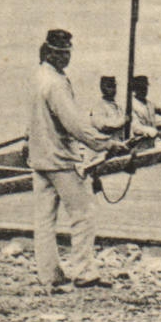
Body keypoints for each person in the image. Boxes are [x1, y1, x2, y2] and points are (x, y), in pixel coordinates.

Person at [26, 29, 121, 292]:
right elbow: (74, 124)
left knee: (44, 219)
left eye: (69, 52)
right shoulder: (55, 83)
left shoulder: (38, 77)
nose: (67, 58)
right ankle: (84, 272)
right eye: (64, 53)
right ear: (54, 53)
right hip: (60, 159)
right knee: (84, 213)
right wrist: (104, 143)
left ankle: (49, 276)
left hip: (39, 158)